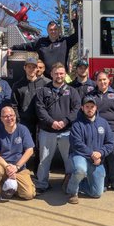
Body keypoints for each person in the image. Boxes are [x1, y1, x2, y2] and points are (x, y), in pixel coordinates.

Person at [35, 62, 81, 194]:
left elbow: (77, 108)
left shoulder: (72, 91)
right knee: (44, 159)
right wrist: (51, 122)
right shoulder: (43, 90)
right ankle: (42, 184)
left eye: (61, 73)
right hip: (47, 131)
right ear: (51, 74)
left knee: (69, 159)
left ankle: (69, 183)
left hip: (67, 132)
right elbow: (40, 109)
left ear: (65, 74)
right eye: (56, 73)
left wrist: (65, 121)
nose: (59, 76)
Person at [66, 96, 114, 204]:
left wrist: (100, 153)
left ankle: (76, 183)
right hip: (80, 156)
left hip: (97, 158)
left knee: (97, 193)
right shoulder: (77, 124)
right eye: (87, 106)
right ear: (82, 108)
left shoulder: (103, 123)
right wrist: (92, 154)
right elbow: (77, 144)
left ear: (96, 107)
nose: (90, 109)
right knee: (80, 170)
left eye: (92, 106)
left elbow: (110, 143)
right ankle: (72, 191)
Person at [0, 106, 36, 202]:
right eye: (5, 116)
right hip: (2, 167)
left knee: (29, 194)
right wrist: (7, 166)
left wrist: (16, 167)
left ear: (15, 116)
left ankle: (9, 187)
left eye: (11, 115)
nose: (9, 118)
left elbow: (30, 150)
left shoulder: (23, 130)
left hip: (19, 168)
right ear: (1, 119)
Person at [11, 56, 50, 171]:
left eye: (34, 67)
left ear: (37, 69)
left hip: (41, 122)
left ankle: (39, 173)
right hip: (24, 122)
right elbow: (14, 104)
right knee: (23, 147)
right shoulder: (18, 85)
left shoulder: (45, 84)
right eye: (29, 67)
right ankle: (21, 170)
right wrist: (18, 120)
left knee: (40, 148)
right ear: (25, 68)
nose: (31, 69)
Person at [10, 18, 78, 75]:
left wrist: (74, 20)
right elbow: (25, 46)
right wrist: (11, 48)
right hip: (45, 79)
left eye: (55, 29)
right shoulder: (40, 42)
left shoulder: (65, 41)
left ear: (59, 30)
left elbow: (78, 35)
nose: (53, 31)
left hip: (61, 77)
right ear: (47, 31)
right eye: (51, 30)